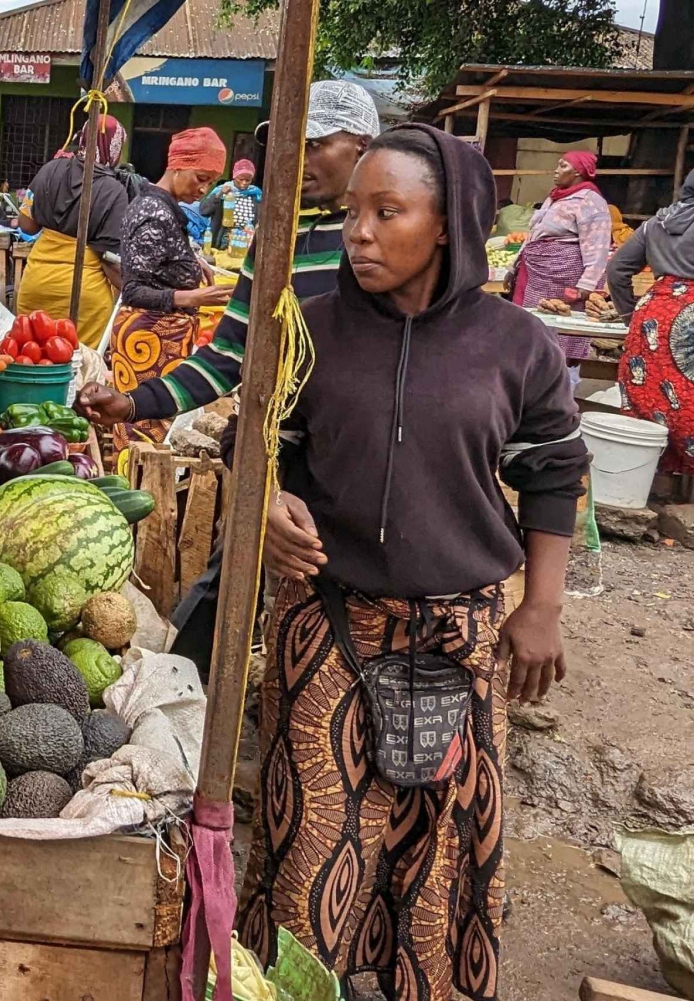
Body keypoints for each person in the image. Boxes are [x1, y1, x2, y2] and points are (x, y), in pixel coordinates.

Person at [236, 123, 587, 1001]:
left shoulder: (517, 346)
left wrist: (540, 607)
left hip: (457, 635)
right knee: (311, 839)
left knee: (439, 850)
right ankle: (286, 988)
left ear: (447, 224)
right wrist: (269, 506)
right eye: (352, 209)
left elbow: (553, 476)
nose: (357, 231)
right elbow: (261, 449)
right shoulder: (306, 331)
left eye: (385, 211)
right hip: (330, 621)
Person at [76, 80, 382, 675]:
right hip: (280, 452)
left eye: (316, 144)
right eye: (290, 145)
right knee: (230, 575)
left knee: (335, 608)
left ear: (364, 148)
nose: (299, 159)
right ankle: (176, 692)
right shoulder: (280, 233)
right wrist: (133, 401)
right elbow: (231, 352)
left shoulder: (385, 240)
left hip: (360, 463)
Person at [106, 128, 232, 454]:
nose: (204, 189)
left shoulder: (165, 208)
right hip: (147, 340)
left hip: (158, 340)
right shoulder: (153, 211)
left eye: (213, 182)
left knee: (151, 433)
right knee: (143, 436)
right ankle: (136, 497)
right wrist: (193, 297)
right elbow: (133, 289)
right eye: (200, 177)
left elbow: (159, 262)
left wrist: (193, 261)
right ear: (177, 165)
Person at [16, 116, 132, 347]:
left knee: (32, 358)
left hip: (36, 283)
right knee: (80, 369)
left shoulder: (49, 169)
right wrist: (137, 290)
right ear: (115, 148)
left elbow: (27, 225)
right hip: (84, 295)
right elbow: (110, 261)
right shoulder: (115, 190)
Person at [607, 168, 694, 472]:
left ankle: (646, 474)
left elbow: (617, 270)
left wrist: (630, 315)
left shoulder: (656, 223)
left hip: (653, 315)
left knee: (649, 393)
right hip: (690, 319)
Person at [508, 151, 612, 365]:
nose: (556, 170)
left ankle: (558, 379)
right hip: (535, 275)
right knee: (528, 324)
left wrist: (587, 282)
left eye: (563, 166)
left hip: (563, 277)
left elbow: (598, 245)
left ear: (578, 172)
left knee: (559, 331)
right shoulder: (555, 197)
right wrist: (514, 267)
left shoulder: (590, 201)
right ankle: (527, 372)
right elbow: (534, 235)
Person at [200, 158, 263, 251]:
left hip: (245, 240)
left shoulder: (255, 194)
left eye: (248, 180)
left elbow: (259, 219)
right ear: (234, 176)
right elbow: (204, 211)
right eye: (240, 179)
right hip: (223, 240)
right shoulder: (222, 190)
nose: (244, 183)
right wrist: (219, 194)